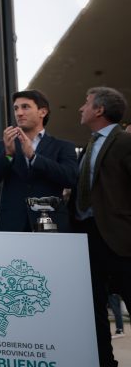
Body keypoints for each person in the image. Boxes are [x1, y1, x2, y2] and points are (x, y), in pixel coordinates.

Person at [70, 86, 131, 367]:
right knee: (93, 311)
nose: (81, 108)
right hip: (87, 238)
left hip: (120, 240)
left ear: (99, 110)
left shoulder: (125, 141)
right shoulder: (88, 146)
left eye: (86, 103)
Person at [0, 90, 77, 232]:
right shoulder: (2, 146)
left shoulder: (63, 146)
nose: (19, 113)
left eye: (25, 107)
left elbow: (70, 178)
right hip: (11, 225)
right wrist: (8, 155)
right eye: (16, 108)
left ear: (42, 112)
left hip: (52, 223)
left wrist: (34, 158)